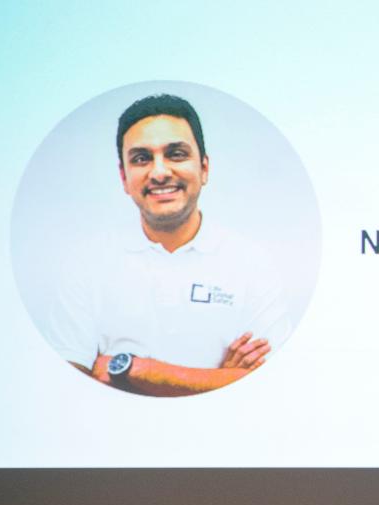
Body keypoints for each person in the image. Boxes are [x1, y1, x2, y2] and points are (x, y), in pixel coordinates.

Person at [47, 94, 292, 396]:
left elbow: (271, 387)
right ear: (124, 177)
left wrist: (135, 370)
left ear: (204, 168)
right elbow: (68, 391)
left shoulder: (253, 263)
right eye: (141, 158)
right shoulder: (87, 263)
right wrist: (219, 379)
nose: (160, 172)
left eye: (176, 154)